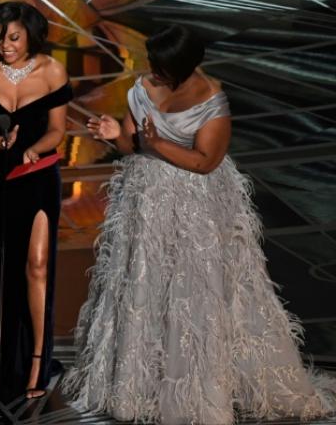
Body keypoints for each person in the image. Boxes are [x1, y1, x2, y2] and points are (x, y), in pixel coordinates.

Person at [64, 24, 336, 424]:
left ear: (183, 66)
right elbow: (130, 143)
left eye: (160, 66)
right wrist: (113, 135)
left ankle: (196, 389)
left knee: (194, 292)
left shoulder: (212, 100)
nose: (151, 72)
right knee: (145, 287)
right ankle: (141, 388)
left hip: (196, 208)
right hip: (147, 205)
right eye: (151, 65)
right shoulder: (140, 88)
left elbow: (205, 162)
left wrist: (156, 144)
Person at [0, 1, 72, 401]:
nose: (5, 46)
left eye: (13, 38)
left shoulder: (52, 70)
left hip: (37, 176)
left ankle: (37, 362)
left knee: (37, 265)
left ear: (30, 34)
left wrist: (34, 150)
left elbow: (58, 130)